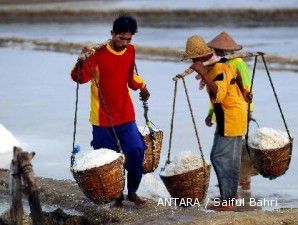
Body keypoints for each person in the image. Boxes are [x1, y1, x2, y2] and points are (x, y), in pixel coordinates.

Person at [71, 15, 150, 207]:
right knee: (109, 160)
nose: (125, 42)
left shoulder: (130, 51)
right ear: (112, 33)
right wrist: (81, 59)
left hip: (125, 114)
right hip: (102, 118)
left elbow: (130, 77)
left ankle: (132, 192)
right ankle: (116, 197)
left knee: (137, 150)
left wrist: (143, 87)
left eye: (129, 39)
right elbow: (79, 78)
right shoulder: (96, 54)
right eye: (121, 37)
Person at [182, 35, 248, 211]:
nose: (194, 62)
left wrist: (202, 72)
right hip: (228, 115)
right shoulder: (214, 66)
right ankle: (228, 197)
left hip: (231, 116)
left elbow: (220, 93)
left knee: (219, 157)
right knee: (229, 158)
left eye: (195, 59)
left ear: (201, 57)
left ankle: (229, 200)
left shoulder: (218, 67)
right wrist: (203, 71)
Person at [207, 31, 257, 190]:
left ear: (230, 51)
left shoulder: (237, 63)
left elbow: (247, 89)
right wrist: (210, 114)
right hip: (224, 112)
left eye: (223, 51)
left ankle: (242, 180)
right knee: (232, 150)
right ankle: (236, 182)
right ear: (213, 51)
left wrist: (249, 112)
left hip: (237, 110)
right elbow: (219, 95)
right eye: (217, 51)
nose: (220, 53)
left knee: (234, 150)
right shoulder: (217, 64)